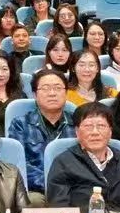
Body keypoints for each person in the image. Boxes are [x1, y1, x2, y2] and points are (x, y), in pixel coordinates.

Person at [47, 102, 120, 213]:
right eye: (88, 126)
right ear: (77, 132)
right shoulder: (63, 163)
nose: (95, 132)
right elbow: (59, 208)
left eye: (101, 126)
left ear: (110, 131)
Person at [7, 68, 75, 205]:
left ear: (66, 93)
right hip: (36, 188)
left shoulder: (77, 124)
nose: (52, 93)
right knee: (33, 201)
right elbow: (20, 164)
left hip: (73, 186)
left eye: (58, 88)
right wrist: (52, 183)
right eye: (45, 88)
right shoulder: (21, 124)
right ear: (35, 94)